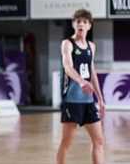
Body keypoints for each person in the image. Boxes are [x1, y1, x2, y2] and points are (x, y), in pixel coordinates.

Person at [56, 9, 105, 164]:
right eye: (78, 21)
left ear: (89, 26)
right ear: (73, 25)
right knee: (66, 143)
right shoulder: (67, 44)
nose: (81, 24)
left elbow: (92, 73)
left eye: (84, 22)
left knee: (99, 141)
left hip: (89, 101)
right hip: (72, 100)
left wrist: (100, 99)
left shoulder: (91, 46)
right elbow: (68, 68)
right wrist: (82, 81)